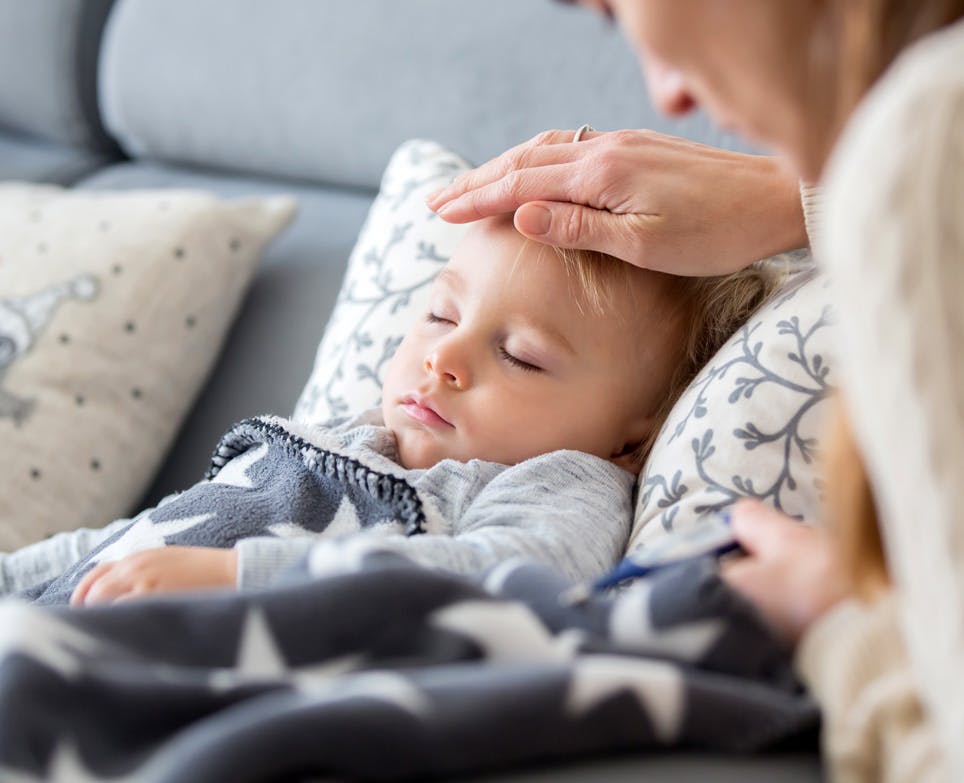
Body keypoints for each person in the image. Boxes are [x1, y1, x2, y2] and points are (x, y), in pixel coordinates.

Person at [429, 1, 964, 781]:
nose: (667, 94)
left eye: (617, 9)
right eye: (438, 311)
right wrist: (801, 197)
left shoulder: (925, 153)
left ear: (633, 438)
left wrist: (839, 625)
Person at [0, 213, 775, 607]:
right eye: (440, 315)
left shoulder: (558, 483)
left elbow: (509, 579)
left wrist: (241, 575)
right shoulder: (336, 435)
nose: (444, 357)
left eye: (522, 356)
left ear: (630, 441)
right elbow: (134, 536)